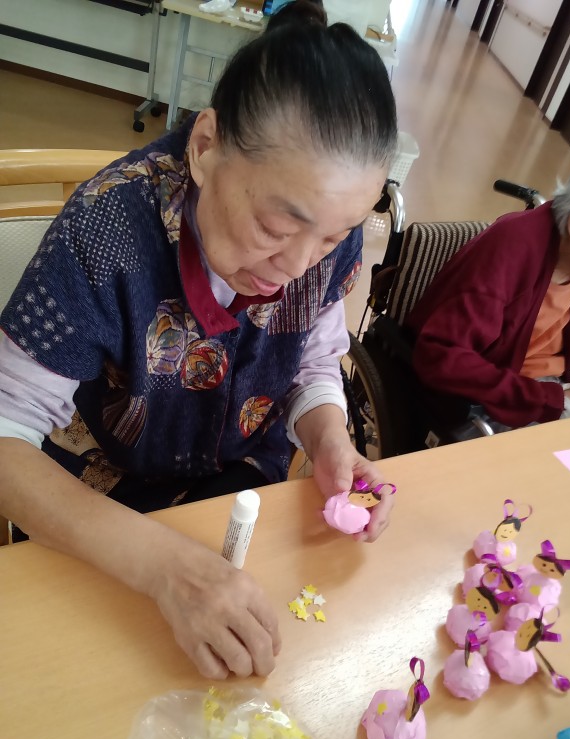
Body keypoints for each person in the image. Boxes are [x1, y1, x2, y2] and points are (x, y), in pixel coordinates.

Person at [0, 1, 397, 679]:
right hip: (108, 497)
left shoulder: (322, 238)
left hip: (238, 485)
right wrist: (166, 569)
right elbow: (6, 437)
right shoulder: (106, 232)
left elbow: (312, 359)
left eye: (333, 237)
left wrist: (331, 439)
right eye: (275, 228)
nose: (299, 265)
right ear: (206, 146)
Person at [406, 135, 570, 431]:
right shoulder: (511, 250)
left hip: (547, 391)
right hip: (490, 402)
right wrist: (555, 400)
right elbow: (441, 355)